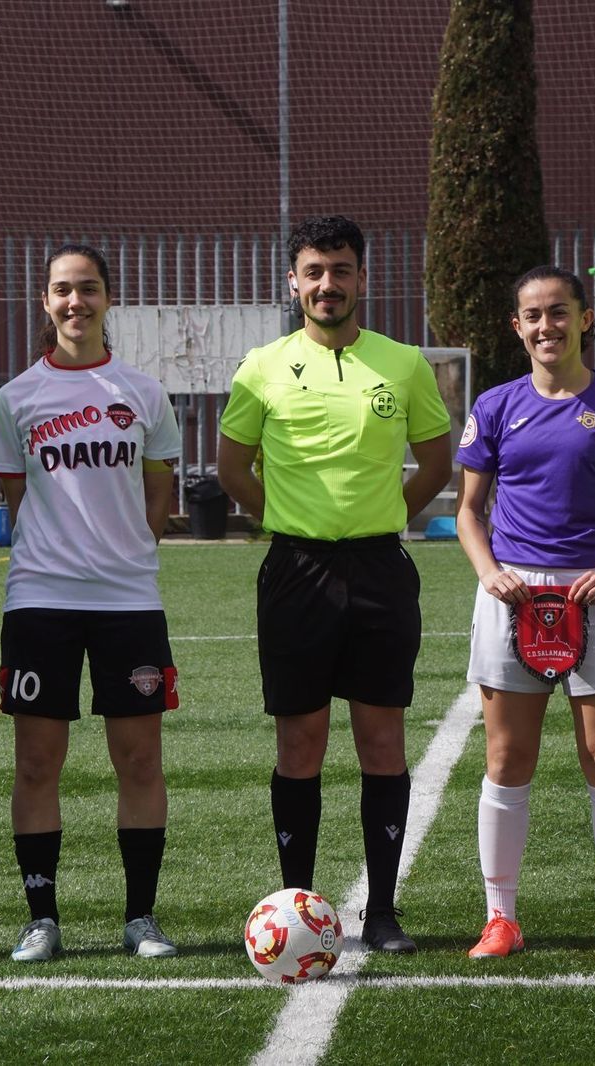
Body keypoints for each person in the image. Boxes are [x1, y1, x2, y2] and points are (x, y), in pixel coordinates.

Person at [216, 215, 453, 953]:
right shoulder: (261, 366)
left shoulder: (404, 365)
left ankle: (381, 911)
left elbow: (436, 463)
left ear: (363, 278)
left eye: (341, 269)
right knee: (301, 743)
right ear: (294, 282)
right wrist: (286, 520)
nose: (328, 284)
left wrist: (385, 520)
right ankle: (299, 908)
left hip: (382, 569)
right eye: (315, 271)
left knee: (382, 739)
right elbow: (232, 469)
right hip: (295, 570)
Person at [454, 266, 595, 962]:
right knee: (508, 757)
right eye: (533, 316)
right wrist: (490, 575)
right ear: (517, 327)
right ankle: (500, 918)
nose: (548, 326)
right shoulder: (493, 406)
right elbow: (468, 512)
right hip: (514, 597)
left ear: (586, 317)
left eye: (560, 312)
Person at [0, 244, 183, 963]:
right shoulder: (16, 398)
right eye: (64, 291)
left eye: (89, 290)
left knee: (139, 760)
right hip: (39, 599)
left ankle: (141, 917)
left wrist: (131, 543)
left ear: (108, 299)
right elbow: (16, 495)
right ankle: (42, 918)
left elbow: (160, 484)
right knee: (37, 763)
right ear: (46, 302)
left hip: (130, 601)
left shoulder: (144, 392)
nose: (77, 302)